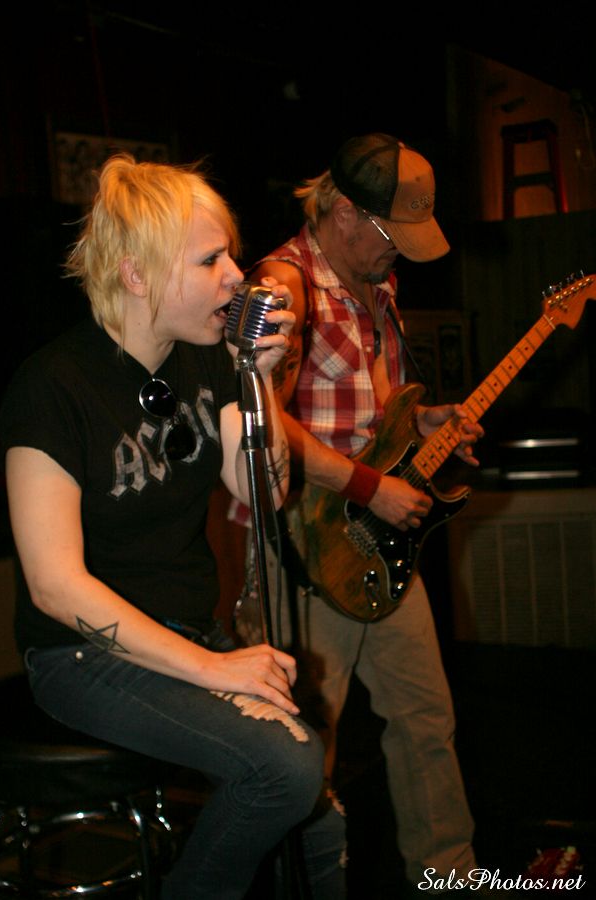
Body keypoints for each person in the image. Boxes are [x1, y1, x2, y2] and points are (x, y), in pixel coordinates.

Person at [0, 153, 346, 899]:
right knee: (287, 771)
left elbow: (265, 492)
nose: (236, 276)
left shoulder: (208, 363)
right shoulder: (52, 387)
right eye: (210, 260)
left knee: (320, 821)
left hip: (187, 635)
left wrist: (258, 377)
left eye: (230, 256)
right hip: (82, 656)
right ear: (136, 275)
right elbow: (55, 587)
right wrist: (216, 668)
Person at [233, 133, 485, 895]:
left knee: (426, 721)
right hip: (307, 546)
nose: (400, 251)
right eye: (391, 233)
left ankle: (448, 878)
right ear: (343, 211)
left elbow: (371, 414)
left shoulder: (377, 283)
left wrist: (427, 422)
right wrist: (370, 487)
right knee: (306, 746)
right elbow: (262, 425)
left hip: (379, 540)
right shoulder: (283, 286)